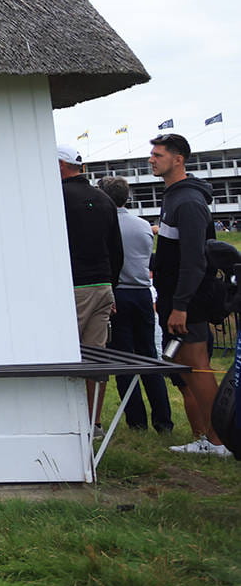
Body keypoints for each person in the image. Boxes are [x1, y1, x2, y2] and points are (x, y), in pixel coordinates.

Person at [149, 133, 230, 457]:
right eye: (151, 154)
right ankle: (206, 437)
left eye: (158, 154)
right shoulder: (173, 197)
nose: (152, 159)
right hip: (173, 297)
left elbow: (195, 260)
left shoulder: (189, 201)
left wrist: (180, 306)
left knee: (197, 366)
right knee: (183, 366)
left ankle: (219, 440)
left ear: (178, 159)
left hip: (189, 300)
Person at [98, 175, 173, 433]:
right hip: (142, 292)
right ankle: (163, 420)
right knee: (149, 357)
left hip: (119, 292)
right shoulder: (142, 225)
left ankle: (136, 421)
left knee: (123, 359)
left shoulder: (105, 225)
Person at [57, 143, 122, 425]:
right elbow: (116, 249)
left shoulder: (56, 196)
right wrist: (113, 286)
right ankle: (93, 422)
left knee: (64, 355)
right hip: (103, 285)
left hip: (73, 286)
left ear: (60, 165)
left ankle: (68, 423)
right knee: (96, 358)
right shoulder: (105, 198)